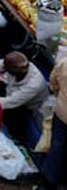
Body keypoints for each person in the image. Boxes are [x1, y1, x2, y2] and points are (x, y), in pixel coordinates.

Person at [0, 51, 48, 144]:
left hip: (26, 106)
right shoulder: (13, 64)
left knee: (13, 120)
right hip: (11, 92)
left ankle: (16, 138)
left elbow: (11, 101)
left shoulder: (34, 84)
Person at [40, 53, 67, 189]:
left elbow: (54, 84)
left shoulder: (64, 63)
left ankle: (49, 181)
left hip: (63, 114)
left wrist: (60, 95)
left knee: (57, 146)